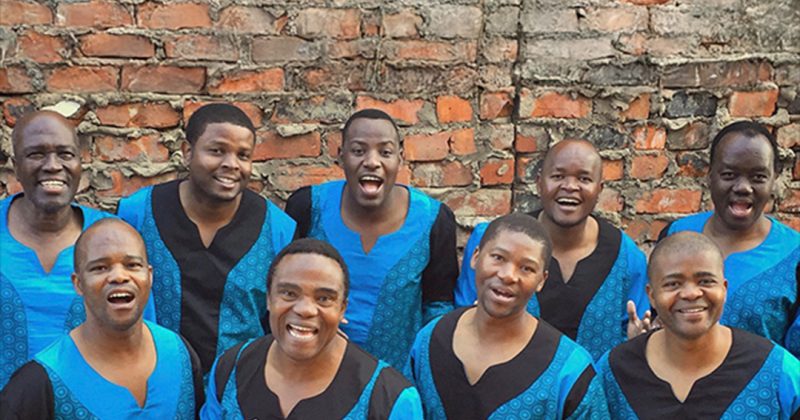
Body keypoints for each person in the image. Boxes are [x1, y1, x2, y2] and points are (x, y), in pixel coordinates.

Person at [117, 103, 296, 374]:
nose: (231, 164)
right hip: (152, 378)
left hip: (240, 383)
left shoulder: (278, 230)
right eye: (217, 151)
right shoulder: (137, 214)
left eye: (243, 155)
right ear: (187, 152)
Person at [284, 109, 458, 370]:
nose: (372, 162)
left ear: (400, 158)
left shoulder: (433, 220)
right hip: (312, 370)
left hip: (396, 378)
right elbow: (283, 290)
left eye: (385, 152)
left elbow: (437, 306)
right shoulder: (308, 208)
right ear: (341, 155)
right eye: (358, 151)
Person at [455, 139, 650, 360]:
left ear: (599, 188)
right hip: (502, 378)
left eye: (584, 179)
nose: (570, 186)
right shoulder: (494, 242)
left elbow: (633, 334)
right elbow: (463, 316)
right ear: (539, 183)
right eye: (557, 176)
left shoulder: (626, 257)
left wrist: (638, 344)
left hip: (597, 382)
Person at [407, 213, 608, 419]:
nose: (508, 275)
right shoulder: (430, 340)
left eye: (527, 268)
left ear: (541, 280)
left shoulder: (569, 371)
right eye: (498, 258)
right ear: (475, 257)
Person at [0, 219, 203, 419]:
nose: (119, 277)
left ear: (149, 276)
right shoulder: (41, 382)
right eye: (100, 268)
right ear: (78, 284)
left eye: (132, 265)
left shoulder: (179, 354)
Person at [201, 238, 422, 419]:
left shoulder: (388, 398)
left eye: (324, 298)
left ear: (342, 309)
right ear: (268, 299)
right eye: (289, 293)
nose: (305, 310)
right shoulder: (230, 368)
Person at [597, 231, 800, 418]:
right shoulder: (614, 370)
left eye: (705, 281)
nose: (691, 294)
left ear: (724, 289)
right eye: (673, 284)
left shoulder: (777, 371)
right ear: (651, 295)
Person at [659, 121, 800, 357]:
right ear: (710, 175)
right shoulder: (676, 235)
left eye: (758, 176)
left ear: (774, 178)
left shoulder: (793, 256)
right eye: (729, 175)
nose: (743, 187)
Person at [0, 111, 116, 388]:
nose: (53, 166)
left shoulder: (112, 238)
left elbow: (140, 336)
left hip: (89, 402)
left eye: (65, 154)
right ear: (16, 166)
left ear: (80, 162)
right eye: (36, 154)